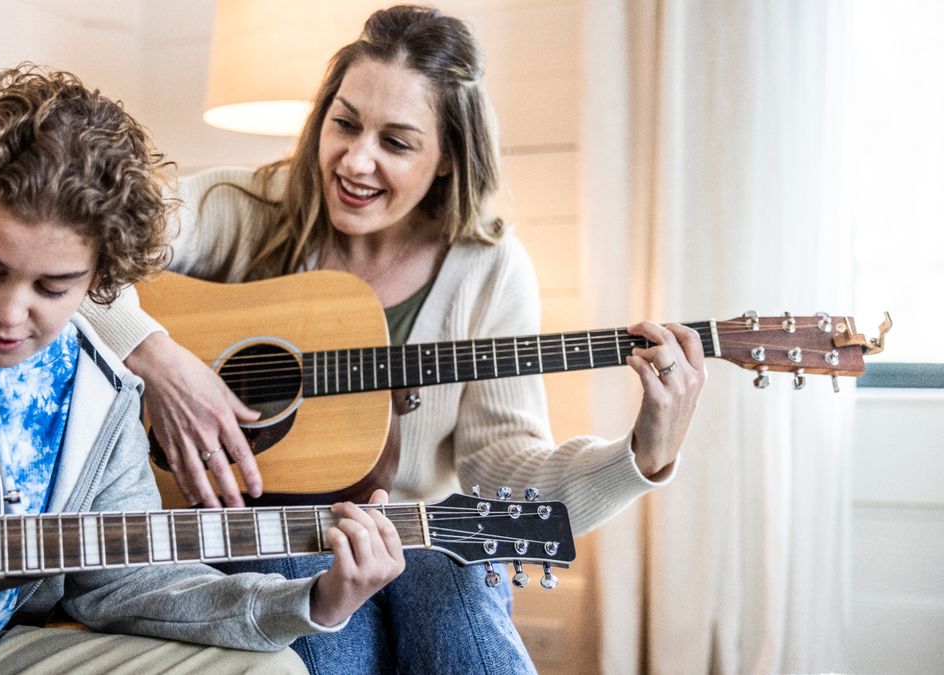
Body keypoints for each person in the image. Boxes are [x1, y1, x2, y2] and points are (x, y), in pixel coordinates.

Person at [80, 5, 705, 673]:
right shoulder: (243, 205)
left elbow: (503, 473)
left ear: (446, 160)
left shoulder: (488, 268)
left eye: (397, 142)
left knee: (459, 590)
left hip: (416, 536)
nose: (356, 159)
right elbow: (80, 250)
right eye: (343, 123)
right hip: (260, 521)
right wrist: (161, 359)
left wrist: (638, 455)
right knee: (329, 632)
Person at [0, 64, 406, 675]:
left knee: (272, 670)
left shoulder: (103, 397)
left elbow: (131, 586)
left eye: (53, 287)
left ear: (101, 276)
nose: (10, 311)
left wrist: (316, 597)